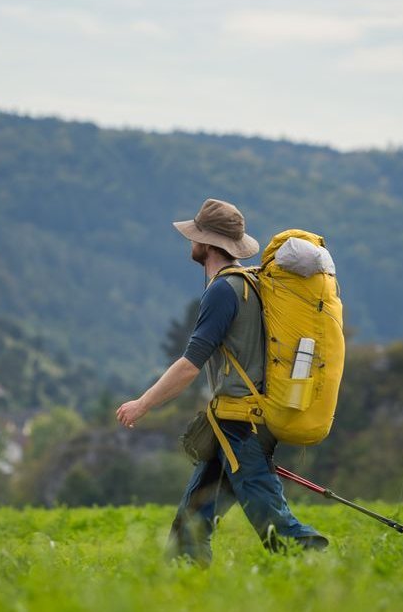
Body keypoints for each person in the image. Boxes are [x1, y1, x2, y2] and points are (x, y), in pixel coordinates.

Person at [115, 198, 327, 565]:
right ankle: (187, 580)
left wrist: (142, 403)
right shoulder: (254, 284)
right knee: (192, 524)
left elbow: (189, 366)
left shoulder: (223, 291)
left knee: (273, 521)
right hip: (237, 420)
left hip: (241, 425)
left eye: (195, 235)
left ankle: (319, 567)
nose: (191, 242)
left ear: (209, 244)